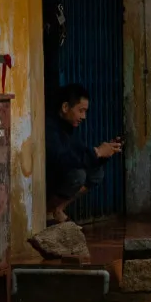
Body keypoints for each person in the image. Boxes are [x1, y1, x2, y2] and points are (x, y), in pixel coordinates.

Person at [47, 83, 121, 224]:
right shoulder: (50, 128)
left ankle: (58, 209)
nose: (84, 116)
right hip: (48, 181)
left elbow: (81, 153)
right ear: (65, 107)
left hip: (59, 177)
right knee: (78, 175)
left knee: (96, 173)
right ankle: (46, 211)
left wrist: (104, 154)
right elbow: (63, 161)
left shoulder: (69, 128)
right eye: (81, 111)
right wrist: (97, 152)